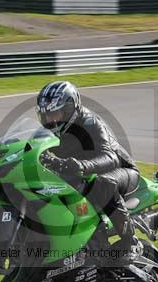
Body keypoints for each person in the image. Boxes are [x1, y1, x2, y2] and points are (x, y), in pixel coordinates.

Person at [35, 80, 141, 265]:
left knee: (102, 182)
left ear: (70, 109)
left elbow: (110, 158)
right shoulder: (51, 133)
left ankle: (130, 242)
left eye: (55, 114)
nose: (51, 121)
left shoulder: (90, 122)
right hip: (85, 173)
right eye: (46, 116)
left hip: (122, 171)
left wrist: (80, 166)